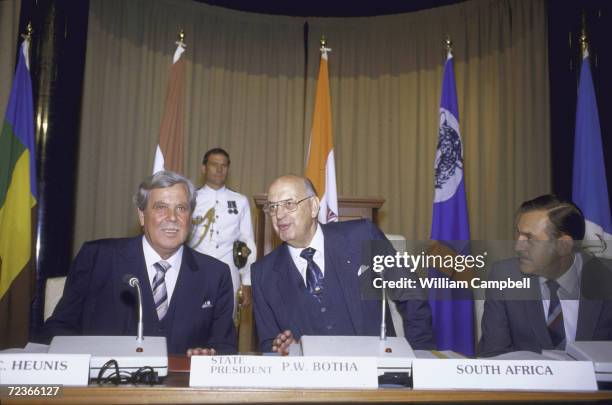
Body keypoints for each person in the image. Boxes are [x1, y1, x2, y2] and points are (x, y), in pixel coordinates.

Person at [40, 171, 237, 355]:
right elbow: (58, 328)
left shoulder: (215, 274)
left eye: (181, 208)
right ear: (142, 216)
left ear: (190, 217)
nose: (172, 218)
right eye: (161, 207)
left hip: (182, 389)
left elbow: (225, 346)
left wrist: (210, 356)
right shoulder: (97, 259)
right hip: (104, 387)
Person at [251, 175, 434, 354]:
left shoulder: (361, 237)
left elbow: (411, 294)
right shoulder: (263, 274)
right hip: (311, 380)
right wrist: (284, 351)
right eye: (273, 207)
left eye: (289, 204)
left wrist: (419, 356)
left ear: (314, 207)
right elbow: (269, 343)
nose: (279, 215)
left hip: (377, 375)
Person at [478, 194, 612, 357]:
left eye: (530, 238)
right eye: (518, 234)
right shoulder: (504, 276)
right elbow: (493, 355)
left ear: (564, 246)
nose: (517, 247)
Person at [189, 148, 256, 314]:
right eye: (214, 165)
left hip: (228, 272)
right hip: (195, 271)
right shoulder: (190, 198)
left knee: (226, 324)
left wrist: (246, 282)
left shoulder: (240, 201)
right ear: (204, 168)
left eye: (224, 166)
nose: (219, 169)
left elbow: (247, 243)